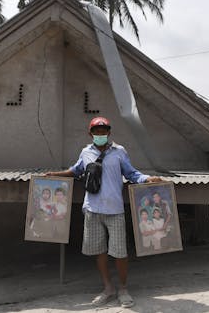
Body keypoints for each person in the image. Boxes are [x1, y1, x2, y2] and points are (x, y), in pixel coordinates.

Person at [46, 116, 162, 308]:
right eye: (96, 131)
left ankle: (123, 289)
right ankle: (108, 288)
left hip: (114, 209)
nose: (100, 134)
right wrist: (54, 175)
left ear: (109, 132)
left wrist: (148, 178)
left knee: (119, 253)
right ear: (90, 133)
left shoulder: (119, 152)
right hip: (92, 210)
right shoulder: (85, 152)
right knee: (99, 251)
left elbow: (132, 173)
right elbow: (75, 171)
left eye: (104, 131)